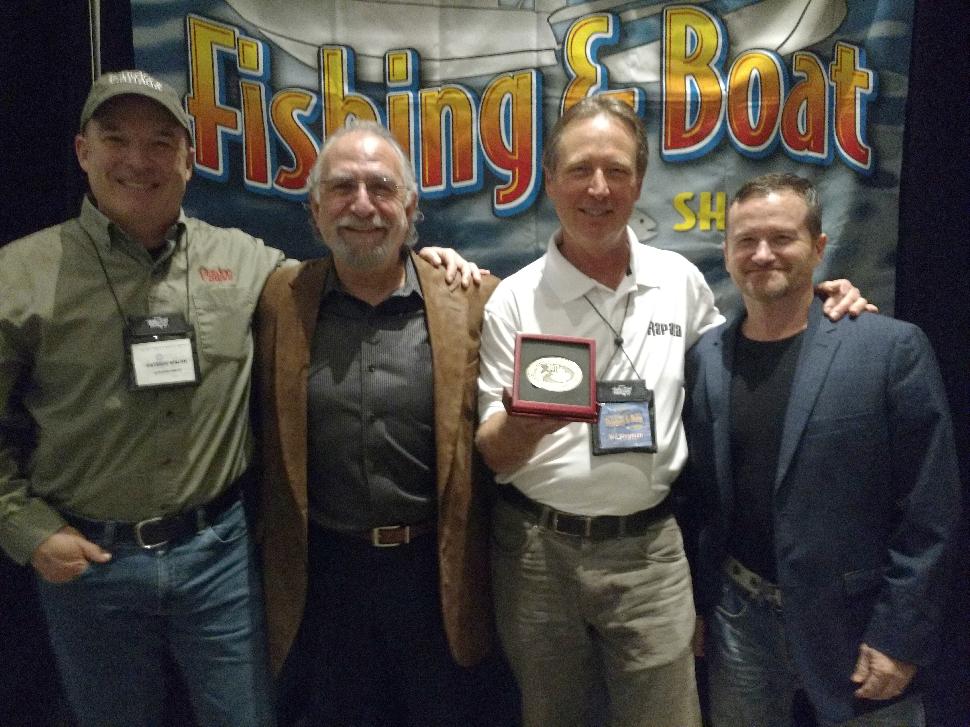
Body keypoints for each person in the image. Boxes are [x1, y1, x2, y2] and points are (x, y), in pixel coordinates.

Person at [0, 70, 478, 727]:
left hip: (219, 560)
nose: (139, 159)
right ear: (83, 150)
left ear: (190, 161)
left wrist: (442, 265)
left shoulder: (250, 265)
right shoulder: (17, 275)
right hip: (89, 566)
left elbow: (365, 254)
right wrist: (23, 527)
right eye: (117, 139)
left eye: (161, 142)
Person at [475, 96, 870, 727]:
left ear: (640, 183)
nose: (598, 188)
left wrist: (818, 293)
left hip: (651, 551)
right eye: (579, 170)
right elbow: (491, 452)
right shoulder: (513, 299)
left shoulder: (681, 280)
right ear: (549, 181)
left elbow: (744, 359)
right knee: (552, 716)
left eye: (618, 171)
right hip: (535, 552)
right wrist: (525, 422)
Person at [682, 173, 961, 726]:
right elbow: (699, 499)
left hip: (858, 627)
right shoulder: (705, 357)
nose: (763, 254)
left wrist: (900, 633)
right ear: (727, 252)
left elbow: (932, 509)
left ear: (819, 247)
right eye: (746, 241)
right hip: (737, 620)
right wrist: (697, 605)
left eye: (782, 239)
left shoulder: (889, 348)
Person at [255, 121, 501, 726]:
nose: (362, 206)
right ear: (314, 211)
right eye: (342, 188)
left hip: (437, 573)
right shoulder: (277, 298)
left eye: (381, 187)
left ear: (410, 207)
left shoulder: (472, 297)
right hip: (325, 578)